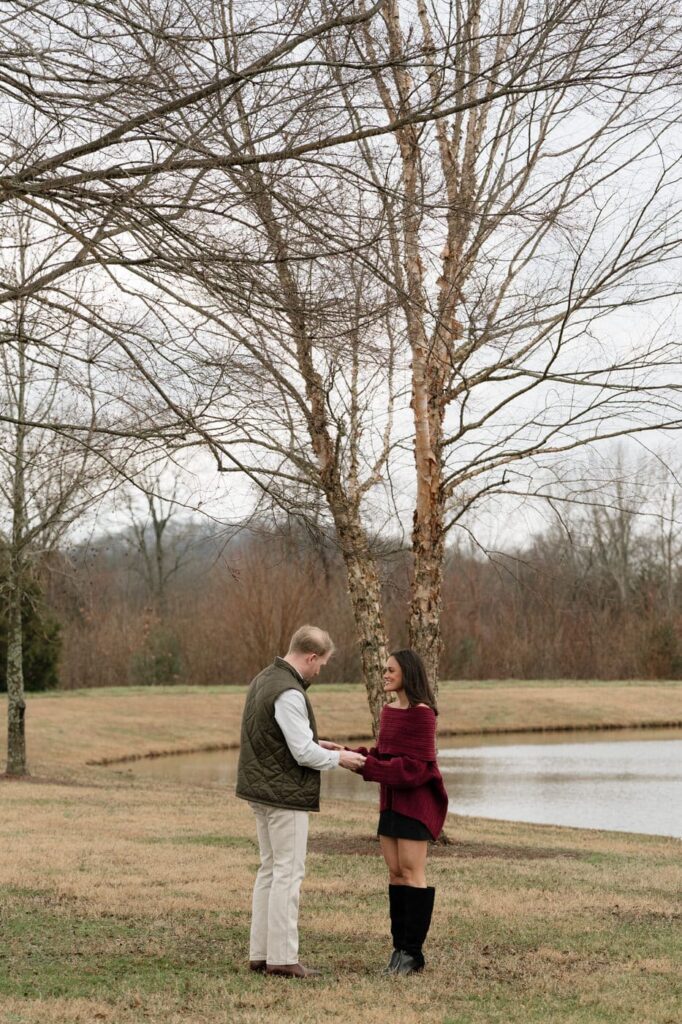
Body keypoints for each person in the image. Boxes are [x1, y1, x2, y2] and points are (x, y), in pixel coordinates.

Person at [235, 625, 366, 979]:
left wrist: (321, 744)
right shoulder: (290, 692)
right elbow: (301, 752)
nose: (319, 671)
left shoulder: (264, 679)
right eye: (320, 664)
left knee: (269, 870)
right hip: (284, 796)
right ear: (310, 656)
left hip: (260, 791)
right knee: (288, 874)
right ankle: (283, 958)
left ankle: (260, 953)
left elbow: (276, 736)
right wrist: (342, 759)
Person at [349, 649, 449, 975]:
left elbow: (415, 769)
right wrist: (348, 755)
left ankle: (413, 953)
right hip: (389, 804)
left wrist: (368, 767)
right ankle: (399, 949)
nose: (386, 673)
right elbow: (383, 755)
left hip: (415, 806)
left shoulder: (423, 714)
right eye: (384, 669)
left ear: (407, 672)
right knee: (394, 872)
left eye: (391, 669)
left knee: (411, 872)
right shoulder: (389, 711)